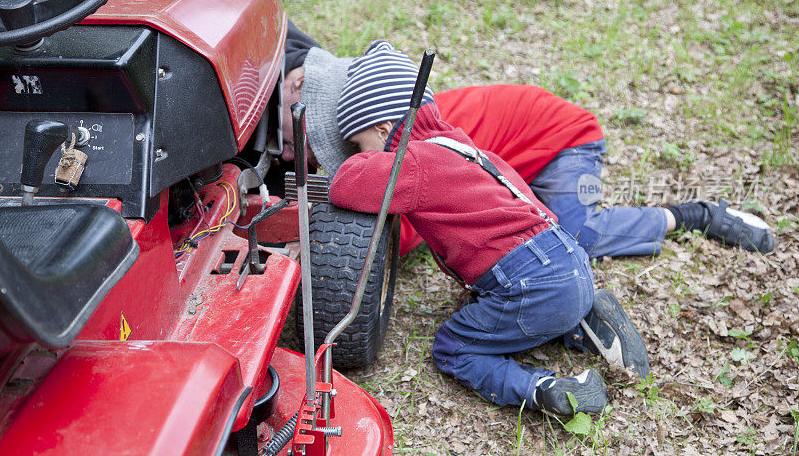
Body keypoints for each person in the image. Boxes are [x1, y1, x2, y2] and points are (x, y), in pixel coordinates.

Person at [322, 40, 650, 415]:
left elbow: (347, 184)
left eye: (358, 144)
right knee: (524, 312)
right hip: (567, 256)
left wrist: (344, 165)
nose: (358, 154)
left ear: (383, 130)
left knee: (454, 347)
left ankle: (547, 389)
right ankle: (582, 319)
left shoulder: (410, 164)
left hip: (531, 281)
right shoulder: (460, 145)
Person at [280, 21, 776, 258]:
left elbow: (400, 233)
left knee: (579, 233)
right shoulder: (397, 124)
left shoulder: (421, 154)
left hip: (563, 139)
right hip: (516, 158)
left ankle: (697, 215)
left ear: (379, 130)